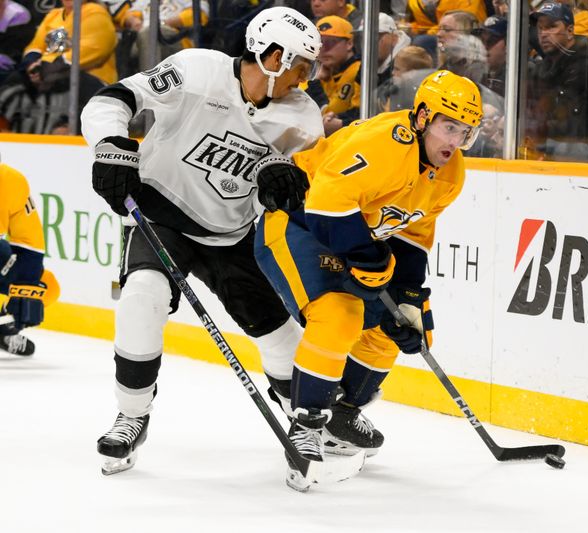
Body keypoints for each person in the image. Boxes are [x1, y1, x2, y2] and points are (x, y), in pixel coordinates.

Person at [80, 6, 324, 476]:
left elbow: (303, 183)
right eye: (301, 66)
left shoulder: (304, 118)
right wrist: (111, 149)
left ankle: (310, 419)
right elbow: (110, 101)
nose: (306, 79)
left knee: (280, 335)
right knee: (141, 298)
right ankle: (131, 415)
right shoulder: (195, 71)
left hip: (232, 234)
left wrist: (286, 179)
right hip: (160, 214)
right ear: (273, 56)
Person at [253, 69, 483, 491]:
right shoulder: (385, 143)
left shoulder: (450, 174)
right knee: (340, 315)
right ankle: (306, 423)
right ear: (422, 118)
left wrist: (409, 294)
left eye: (465, 133)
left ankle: (343, 411)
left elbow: (412, 235)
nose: (455, 142)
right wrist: (366, 258)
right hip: (296, 223)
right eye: (449, 127)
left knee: (403, 327)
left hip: (354, 234)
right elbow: (324, 205)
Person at [523, 2, 588, 160]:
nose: (543, 34)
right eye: (541, 28)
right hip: (553, 144)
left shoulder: (585, 69)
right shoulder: (542, 68)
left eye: (551, 27)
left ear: (570, 31)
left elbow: (572, 127)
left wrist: (527, 127)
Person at [0, 153, 60, 356]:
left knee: (47, 287)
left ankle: (3, 328)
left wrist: (24, 289)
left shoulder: (9, 182)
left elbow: (30, 245)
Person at [307, 15, 360, 136]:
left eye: (331, 42)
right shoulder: (328, 70)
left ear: (349, 44)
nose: (324, 49)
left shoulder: (357, 71)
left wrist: (315, 82)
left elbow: (330, 112)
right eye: (320, 44)